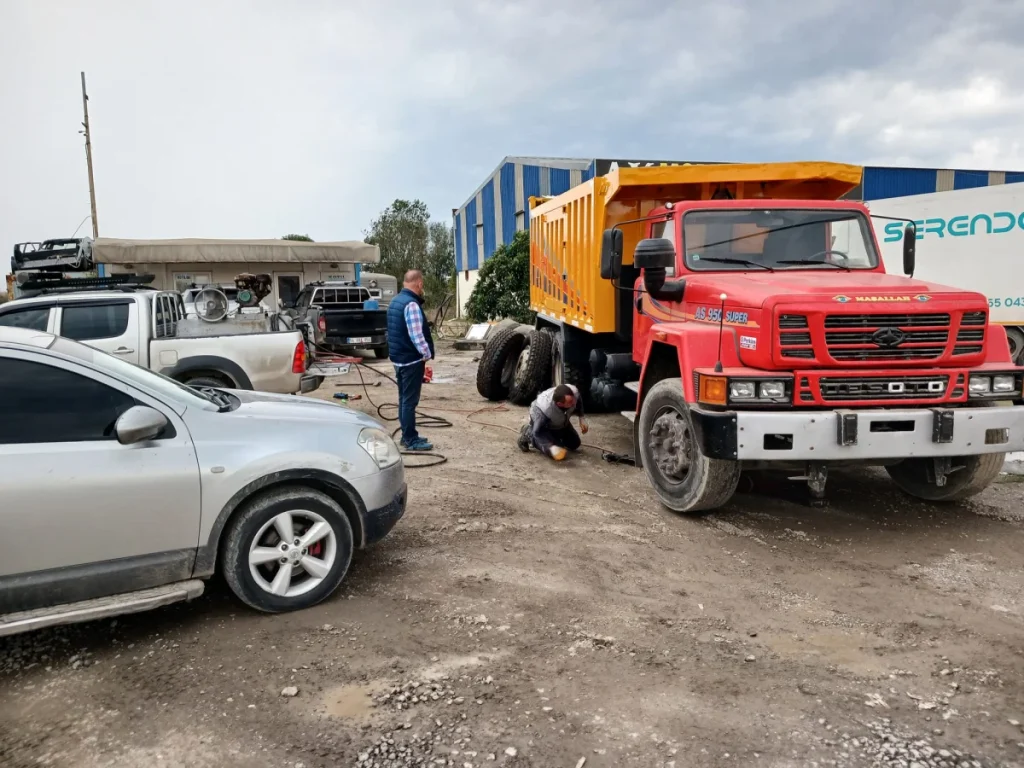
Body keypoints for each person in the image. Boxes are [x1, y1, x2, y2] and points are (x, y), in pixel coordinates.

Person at [386, 270, 435, 451]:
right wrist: (426, 354)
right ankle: (410, 440)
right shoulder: (411, 305)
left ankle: (408, 435)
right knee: (409, 402)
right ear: (419, 284)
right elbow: (417, 336)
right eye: (422, 285)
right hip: (411, 361)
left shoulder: (395, 301)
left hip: (399, 360)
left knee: (403, 399)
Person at [517, 383, 589, 461]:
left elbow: (577, 399)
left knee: (574, 443)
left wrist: (581, 417)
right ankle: (528, 433)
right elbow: (538, 432)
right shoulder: (544, 411)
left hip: (560, 421)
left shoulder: (572, 392)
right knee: (555, 451)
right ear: (560, 404)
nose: (574, 403)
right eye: (570, 402)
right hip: (544, 425)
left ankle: (554, 437)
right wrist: (550, 447)